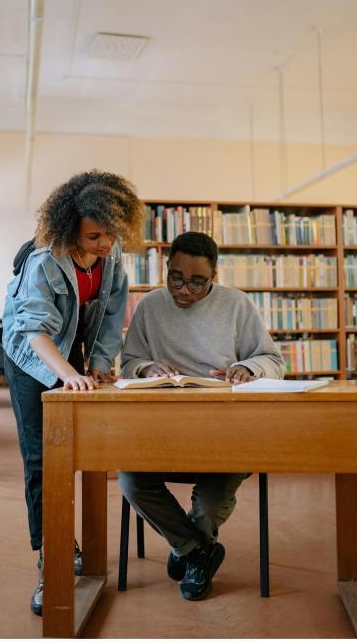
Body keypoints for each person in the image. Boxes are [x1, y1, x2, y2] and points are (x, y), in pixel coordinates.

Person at [2, 170, 142, 616]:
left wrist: (98, 367)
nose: (105, 243)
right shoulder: (44, 260)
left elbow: (113, 311)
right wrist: (67, 374)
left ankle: (77, 542)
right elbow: (34, 330)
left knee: (82, 450)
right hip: (31, 355)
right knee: (42, 457)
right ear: (69, 228)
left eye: (112, 233)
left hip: (71, 351)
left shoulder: (112, 253)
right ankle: (52, 560)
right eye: (94, 235)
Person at [119, 231, 284, 602]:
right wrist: (146, 368)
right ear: (166, 268)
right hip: (163, 431)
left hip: (227, 433)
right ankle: (197, 551)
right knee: (130, 481)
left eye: (197, 282)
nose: (184, 290)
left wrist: (247, 367)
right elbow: (128, 364)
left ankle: (187, 547)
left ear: (215, 277)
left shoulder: (238, 306)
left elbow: (273, 360)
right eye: (175, 277)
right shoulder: (149, 306)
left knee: (209, 505)